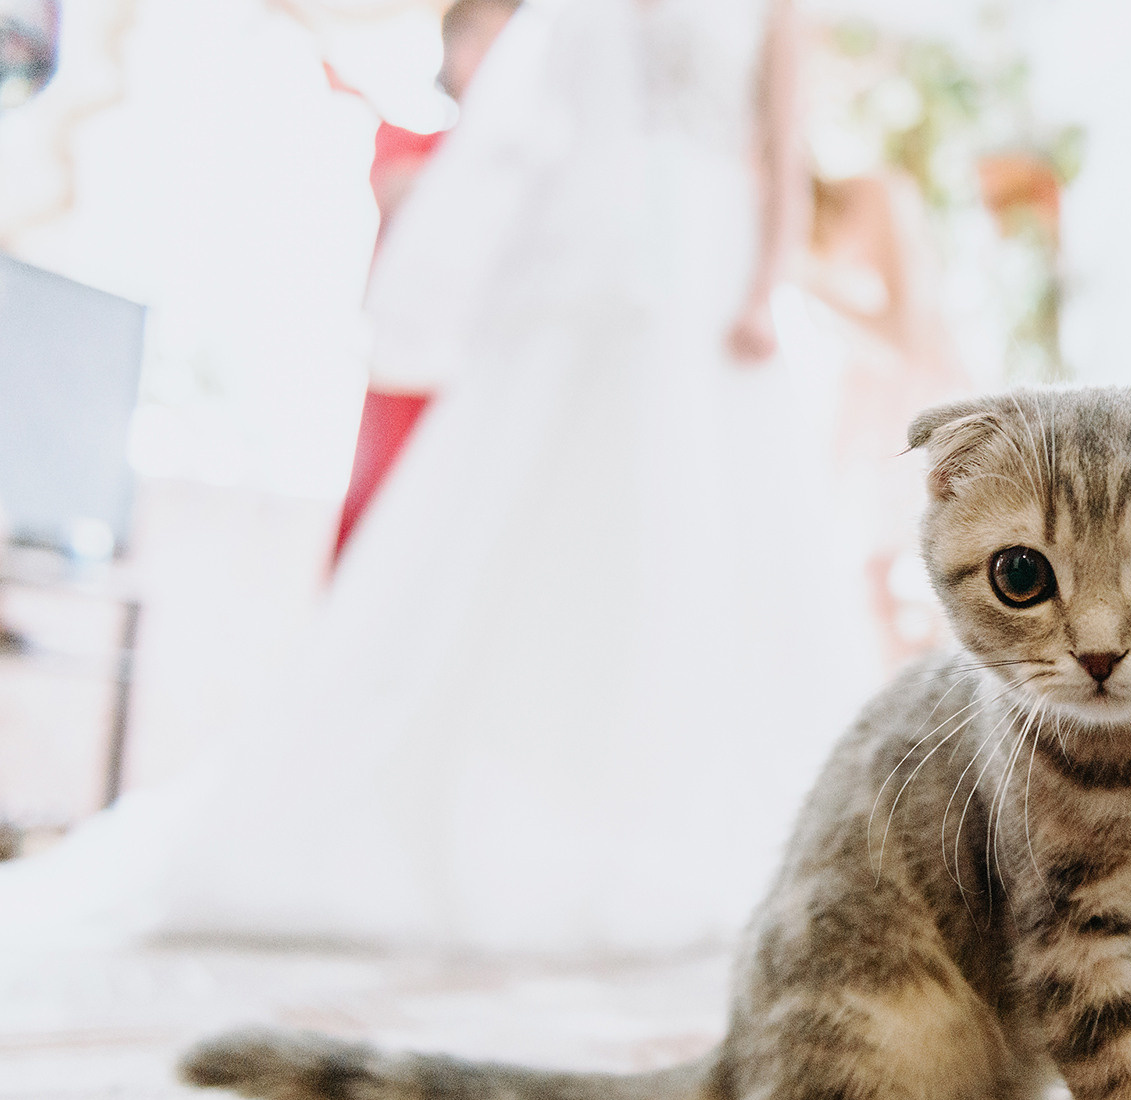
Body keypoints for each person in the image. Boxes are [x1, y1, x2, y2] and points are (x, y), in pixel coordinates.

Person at [19, 0, 877, 956]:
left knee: (697, 529)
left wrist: (765, 286)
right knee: (533, 532)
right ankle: (516, 798)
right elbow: (536, 128)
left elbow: (781, 144)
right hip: (579, 264)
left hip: (710, 272)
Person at [333, 0, 520, 561]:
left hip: (481, 369)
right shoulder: (412, 146)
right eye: (479, 44)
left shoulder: (524, 165)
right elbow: (399, 190)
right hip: (407, 367)